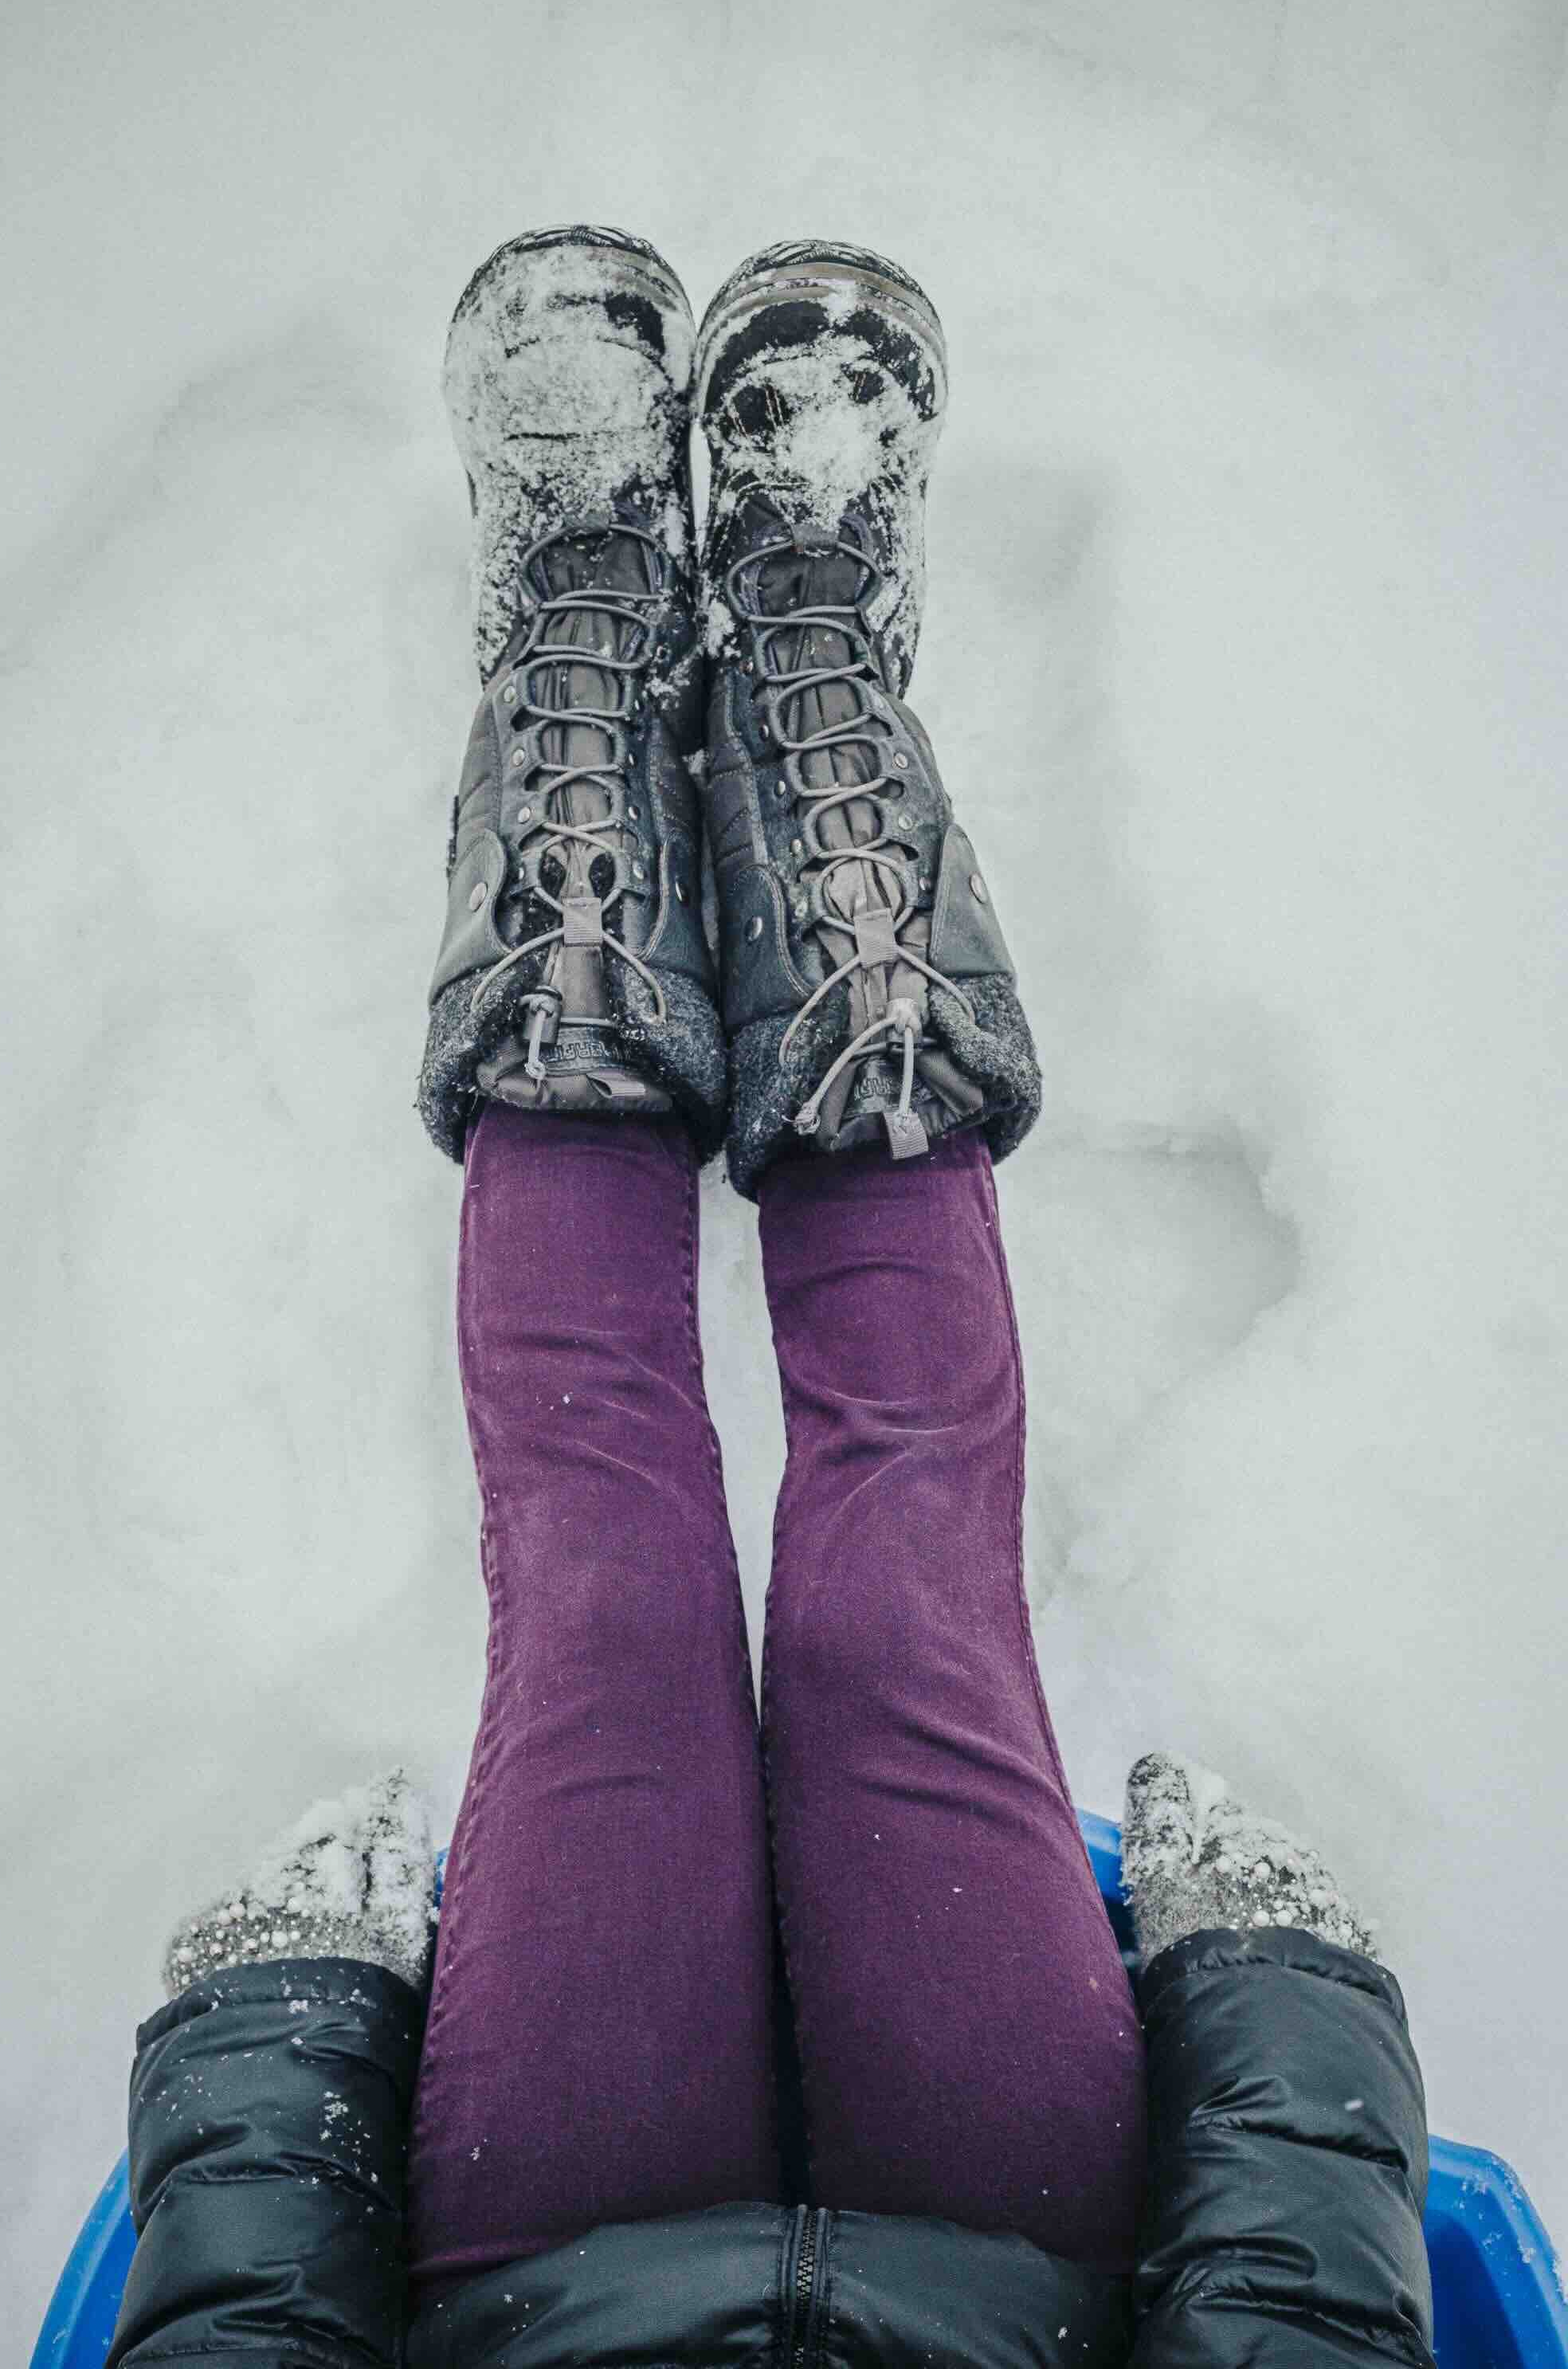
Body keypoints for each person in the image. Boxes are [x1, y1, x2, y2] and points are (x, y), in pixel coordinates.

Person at [103, 229, 1436, 2369]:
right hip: (1026, 2277)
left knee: (613, 1565)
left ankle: (581, 685)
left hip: (552, 2284)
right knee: (899, 1582)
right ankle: (812, 657)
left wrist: (277, 2049)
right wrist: (1290, 2049)